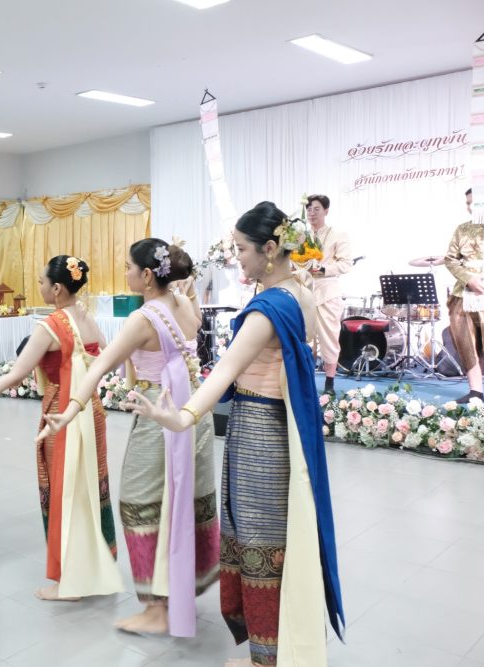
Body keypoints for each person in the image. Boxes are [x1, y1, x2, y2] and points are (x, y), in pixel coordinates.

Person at [123, 202, 345, 667]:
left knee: (259, 540)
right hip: (279, 425)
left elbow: (223, 372)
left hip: (259, 432)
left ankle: (266, 658)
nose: (237, 257)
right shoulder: (300, 292)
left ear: (270, 248)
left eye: (242, 249)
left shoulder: (268, 309)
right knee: (275, 536)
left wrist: (182, 417)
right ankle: (275, 648)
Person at [39, 240, 210, 636]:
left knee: (139, 503)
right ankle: (176, 590)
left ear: (147, 275)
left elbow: (100, 365)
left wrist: (70, 410)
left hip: (158, 410)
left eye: (129, 267)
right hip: (191, 407)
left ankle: (155, 607)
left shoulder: (143, 318)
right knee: (178, 501)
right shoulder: (183, 303)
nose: (125, 273)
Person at [0, 255, 122, 601]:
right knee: (91, 484)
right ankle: (96, 562)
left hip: (60, 413)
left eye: (41, 282)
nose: (38, 287)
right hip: (91, 409)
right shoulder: (87, 318)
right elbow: (108, 359)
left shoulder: (50, 325)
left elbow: (16, 374)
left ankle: (69, 579)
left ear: (57, 288)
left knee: (63, 488)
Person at [444, 188, 484, 404]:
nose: (470, 207)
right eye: (468, 203)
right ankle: (475, 391)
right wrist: (469, 278)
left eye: (475, 202)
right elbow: (450, 259)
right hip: (463, 292)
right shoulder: (462, 229)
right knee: (465, 341)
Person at [304, 194, 352, 394]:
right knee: (305, 339)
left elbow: (345, 264)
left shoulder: (338, 234)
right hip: (305, 293)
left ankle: (329, 383)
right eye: (309, 209)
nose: (312, 213)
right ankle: (306, 380)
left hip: (328, 292)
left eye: (316, 209)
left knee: (329, 338)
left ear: (326, 211)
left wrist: (324, 270)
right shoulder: (301, 237)